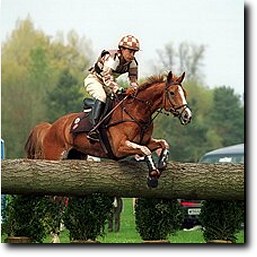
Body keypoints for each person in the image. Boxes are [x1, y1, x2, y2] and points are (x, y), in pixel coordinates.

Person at [84, 35, 140, 141]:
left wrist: (135, 90)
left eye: (134, 52)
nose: (132, 55)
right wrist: (121, 90)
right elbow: (107, 77)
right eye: (130, 51)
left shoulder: (133, 63)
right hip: (95, 79)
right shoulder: (112, 58)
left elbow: (133, 80)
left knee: (117, 102)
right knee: (102, 97)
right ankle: (93, 129)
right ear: (122, 49)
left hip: (109, 84)